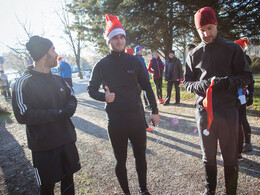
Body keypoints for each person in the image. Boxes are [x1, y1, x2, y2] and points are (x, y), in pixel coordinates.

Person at [87, 14, 159, 195]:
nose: (119, 41)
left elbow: (147, 86)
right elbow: (91, 89)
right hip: (116, 121)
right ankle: (126, 192)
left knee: (140, 156)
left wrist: (155, 111)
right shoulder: (101, 64)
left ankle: (143, 190)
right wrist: (104, 97)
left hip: (136, 118)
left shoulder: (134, 61)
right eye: (115, 37)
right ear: (108, 41)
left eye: (122, 37)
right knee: (120, 159)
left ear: (125, 39)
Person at [183, 7, 252, 195]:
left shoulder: (233, 49)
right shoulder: (193, 54)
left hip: (228, 111)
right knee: (208, 157)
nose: (206, 33)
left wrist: (227, 82)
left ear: (216, 24)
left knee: (230, 158)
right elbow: (187, 83)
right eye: (202, 30)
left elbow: (246, 76)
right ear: (197, 30)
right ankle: (210, 190)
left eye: (210, 28)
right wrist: (200, 85)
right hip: (204, 113)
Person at [12, 36, 81, 195]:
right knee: (47, 188)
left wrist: (69, 109)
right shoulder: (23, 83)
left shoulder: (58, 79)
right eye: (53, 49)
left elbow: (72, 98)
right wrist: (57, 113)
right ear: (44, 55)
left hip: (66, 140)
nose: (56, 54)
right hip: (44, 147)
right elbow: (23, 114)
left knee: (68, 183)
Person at [234, 39, 254, 157]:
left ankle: (246, 144)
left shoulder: (242, 60)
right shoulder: (238, 59)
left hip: (240, 95)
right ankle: (245, 143)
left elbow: (250, 80)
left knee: (241, 120)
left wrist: (250, 95)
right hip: (238, 95)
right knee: (241, 120)